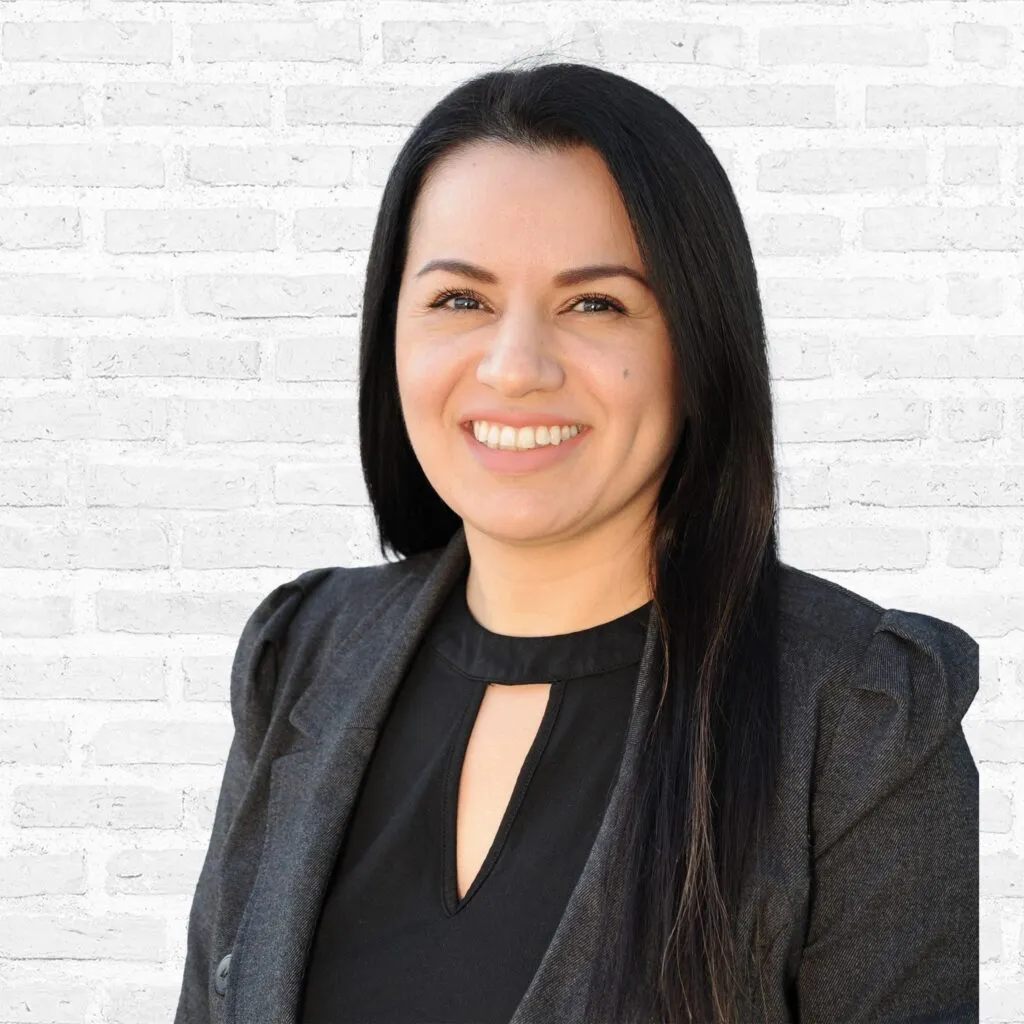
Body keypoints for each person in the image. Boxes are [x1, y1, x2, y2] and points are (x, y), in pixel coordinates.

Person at [174, 57, 979, 1024]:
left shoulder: (862, 718)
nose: (514, 368)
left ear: (697, 344)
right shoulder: (303, 654)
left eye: (595, 304)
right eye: (460, 300)